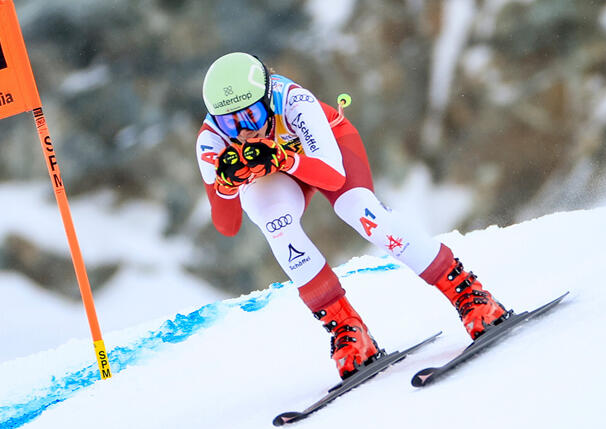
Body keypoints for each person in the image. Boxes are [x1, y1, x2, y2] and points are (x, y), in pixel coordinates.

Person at [195, 52, 510, 379]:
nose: (245, 131)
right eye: (230, 122)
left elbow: (332, 177)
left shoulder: (293, 101)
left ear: (268, 97)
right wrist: (226, 186)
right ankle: (347, 329)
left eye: (252, 115)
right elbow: (227, 226)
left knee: (358, 208)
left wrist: (284, 158)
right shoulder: (211, 141)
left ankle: (468, 293)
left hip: (323, 154)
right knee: (275, 222)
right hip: (277, 170)